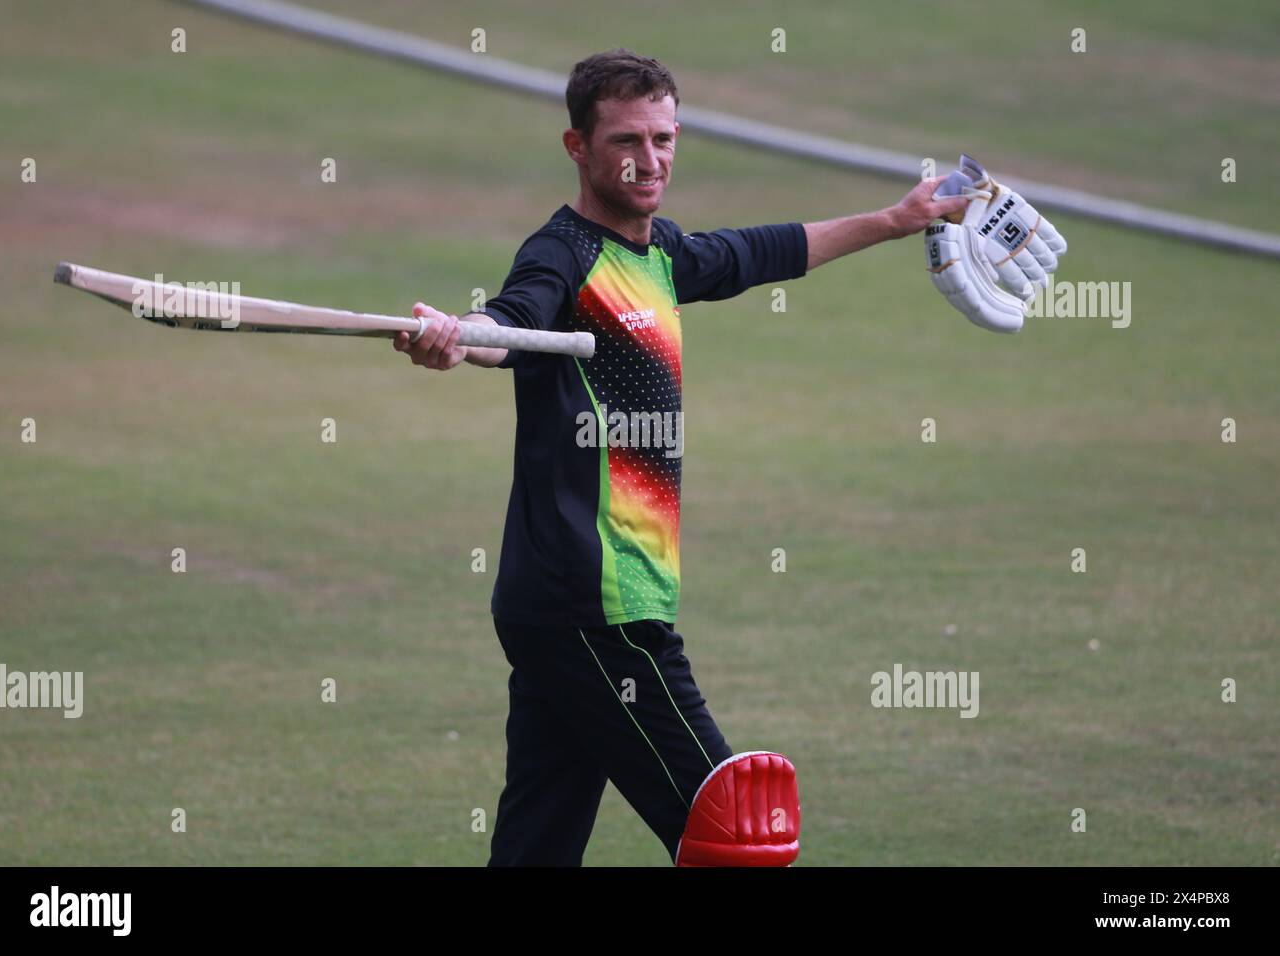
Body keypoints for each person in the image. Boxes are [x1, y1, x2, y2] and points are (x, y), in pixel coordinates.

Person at [391, 49, 969, 866]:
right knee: (736, 835)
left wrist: (896, 219)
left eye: (665, 138)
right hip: (593, 607)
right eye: (627, 139)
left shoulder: (659, 256)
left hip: (577, 605)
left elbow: (767, 251)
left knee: (535, 851)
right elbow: (511, 323)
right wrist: (458, 339)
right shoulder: (563, 253)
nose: (649, 159)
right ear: (577, 147)